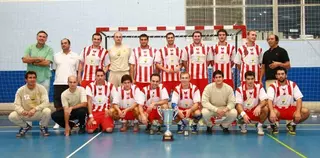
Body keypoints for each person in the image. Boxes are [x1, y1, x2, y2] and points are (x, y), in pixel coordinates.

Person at [267, 67, 310, 135]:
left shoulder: (292, 85)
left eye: (282, 74)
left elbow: (299, 99)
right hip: (277, 110)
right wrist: (272, 111)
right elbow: (269, 100)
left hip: (290, 109)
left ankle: (292, 124)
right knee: (269, 110)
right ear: (276, 76)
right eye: (278, 74)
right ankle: (273, 125)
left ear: (286, 75)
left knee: (306, 112)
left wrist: (298, 112)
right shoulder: (272, 86)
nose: (281, 76)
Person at [8, 71, 51, 137]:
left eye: (34, 77)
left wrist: (35, 109)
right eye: (30, 78)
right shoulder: (20, 90)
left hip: (37, 112)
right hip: (25, 114)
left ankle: (43, 126)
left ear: (36, 79)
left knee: (47, 111)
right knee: (12, 116)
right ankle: (25, 126)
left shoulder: (41, 88)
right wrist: (22, 111)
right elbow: (16, 105)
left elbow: (46, 102)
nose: (32, 79)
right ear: (26, 79)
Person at [52, 38, 80, 129]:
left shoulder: (75, 56)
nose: (63, 45)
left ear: (69, 44)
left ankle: (72, 120)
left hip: (71, 84)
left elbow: (77, 69)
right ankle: (59, 122)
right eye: (62, 43)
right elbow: (55, 68)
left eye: (65, 43)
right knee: (59, 105)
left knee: (72, 103)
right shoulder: (56, 56)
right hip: (59, 83)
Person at [235, 71, 268, 135]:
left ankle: (259, 125)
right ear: (245, 80)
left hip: (255, 111)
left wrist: (259, 106)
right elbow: (238, 104)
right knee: (236, 110)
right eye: (248, 79)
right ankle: (242, 124)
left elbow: (265, 100)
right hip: (244, 111)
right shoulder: (239, 89)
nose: (250, 81)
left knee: (266, 108)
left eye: (252, 79)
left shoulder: (259, 87)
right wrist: (243, 114)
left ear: (254, 79)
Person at [86, 69, 119, 133]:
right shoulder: (90, 86)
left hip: (105, 112)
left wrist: (111, 109)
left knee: (109, 130)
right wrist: (90, 116)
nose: (100, 77)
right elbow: (89, 101)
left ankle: (105, 123)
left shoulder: (110, 86)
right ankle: (99, 124)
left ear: (104, 76)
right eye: (98, 76)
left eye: (101, 75)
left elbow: (116, 97)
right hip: (94, 112)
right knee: (90, 131)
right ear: (95, 76)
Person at [182, 31, 213, 95]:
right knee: (192, 93)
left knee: (203, 94)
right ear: (192, 38)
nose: (197, 38)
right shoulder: (187, 48)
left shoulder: (207, 48)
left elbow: (209, 60)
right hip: (192, 76)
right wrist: (188, 69)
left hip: (203, 76)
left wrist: (204, 67)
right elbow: (184, 61)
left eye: (198, 36)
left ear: (201, 37)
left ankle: (202, 105)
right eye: (195, 36)